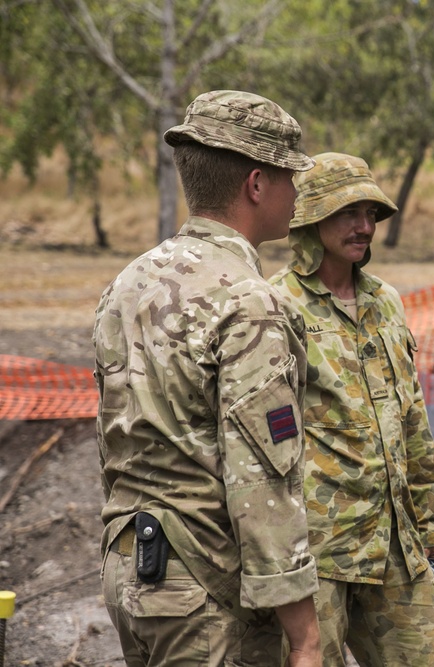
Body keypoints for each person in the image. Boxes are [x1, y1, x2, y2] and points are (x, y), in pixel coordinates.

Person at [93, 90, 322, 666]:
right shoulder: (248, 302)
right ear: (255, 184)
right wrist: (306, 636)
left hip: (130, 569)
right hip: (206, 593)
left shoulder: (127, 283)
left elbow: (117, 437)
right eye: (289, 176)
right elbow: (263, 481)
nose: (297, 193)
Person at [268, 152, 434, 667]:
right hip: (317, 550)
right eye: (348, 212)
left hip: (395, 542)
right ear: (310, 217)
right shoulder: (276, 306)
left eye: (371, 213)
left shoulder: (385, 302)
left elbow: (412, 418)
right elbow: (260, 440)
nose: (364, 225)